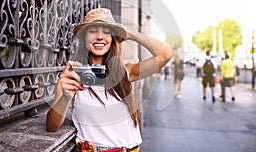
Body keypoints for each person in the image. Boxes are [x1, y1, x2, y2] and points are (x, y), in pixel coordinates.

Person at [46, 8, 173, 151]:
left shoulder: (125, 73)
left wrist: (127, 33)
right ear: (84, 37)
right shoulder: (72, 75)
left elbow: (166, 54)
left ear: (113, 38)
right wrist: (66, 97)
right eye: (92, 31)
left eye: (106, 31)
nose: (100, 37)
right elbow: (51, 126)